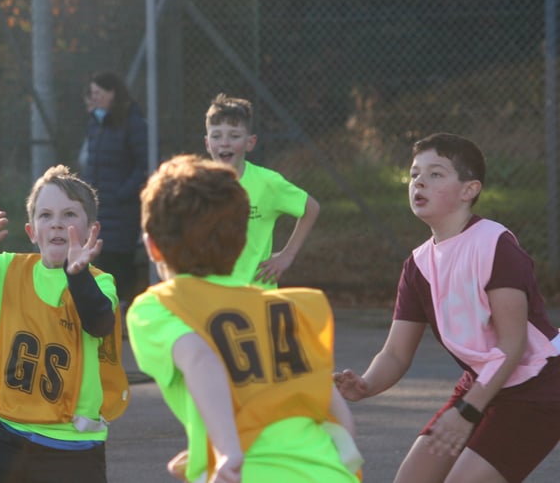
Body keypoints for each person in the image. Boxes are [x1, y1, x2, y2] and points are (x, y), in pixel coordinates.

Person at [334, 132, 560, 483]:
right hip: (483, 383)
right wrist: (367, 384)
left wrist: (468, 411)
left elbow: (512, 345)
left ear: (469, 190)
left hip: (540, 386)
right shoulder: (418, 265)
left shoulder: (495, 245)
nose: (419, 181)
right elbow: (395, 353)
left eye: (435, 173)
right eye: (414, 174)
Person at [127, 154, 363, 483]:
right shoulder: (286, 312)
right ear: (241, 244)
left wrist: (227, 450)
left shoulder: (159, 307)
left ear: (153, 248)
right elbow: (338, 417)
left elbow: (200, 358)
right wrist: (204, 451)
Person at [0, 165, 130, 483]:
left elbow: (98, 322)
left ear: (91, 231)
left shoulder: (100, 284)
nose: (57, 223)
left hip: (72, 443)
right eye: (46, 215)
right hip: (6, 432)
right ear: (32, 231)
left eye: (70, 215)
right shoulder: (7, 272)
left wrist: (78, 275)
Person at [204, 93, 320, 289]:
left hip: (258, 296)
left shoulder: (268, 183)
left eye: (234, 136)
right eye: (217, 136)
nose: (225, 143)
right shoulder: (197, 185)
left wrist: (286, 256)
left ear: (250, 142)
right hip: (212, 296)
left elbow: (311, 208)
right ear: (207, 143)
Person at [81, 71, 148, 309]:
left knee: (120, 260)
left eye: (98, 93)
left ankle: (124, 314)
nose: (95, 98)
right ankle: (107, 312)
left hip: (122, 209)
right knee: (102, 259)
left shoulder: (132, 122)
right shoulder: (97, 123)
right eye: (92, 93)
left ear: (113, 93)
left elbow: (145, 164)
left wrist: (122, 194)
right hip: (100, 207)